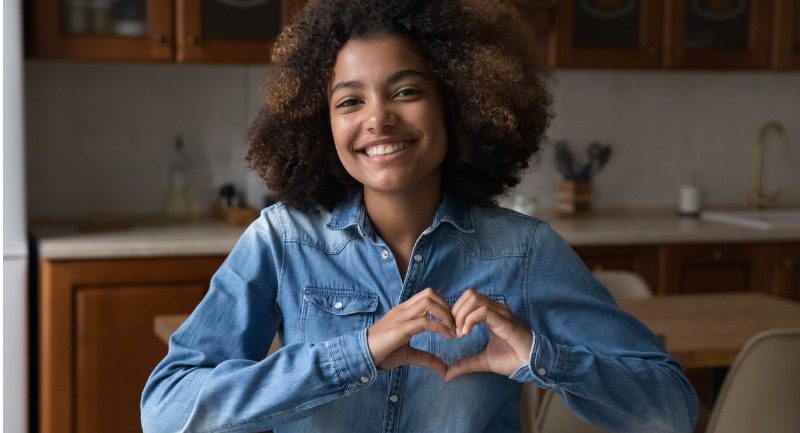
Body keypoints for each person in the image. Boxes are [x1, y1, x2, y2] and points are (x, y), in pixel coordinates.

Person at [141, 0, 699, 432]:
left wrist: (538, 356)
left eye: (406, 91)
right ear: (322, 124)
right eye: (350, 101)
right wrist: (355, 354)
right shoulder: (282, 241)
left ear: (456, 102)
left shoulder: (523, 253)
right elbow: (165, 412)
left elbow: (670, 410)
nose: (378, 120)